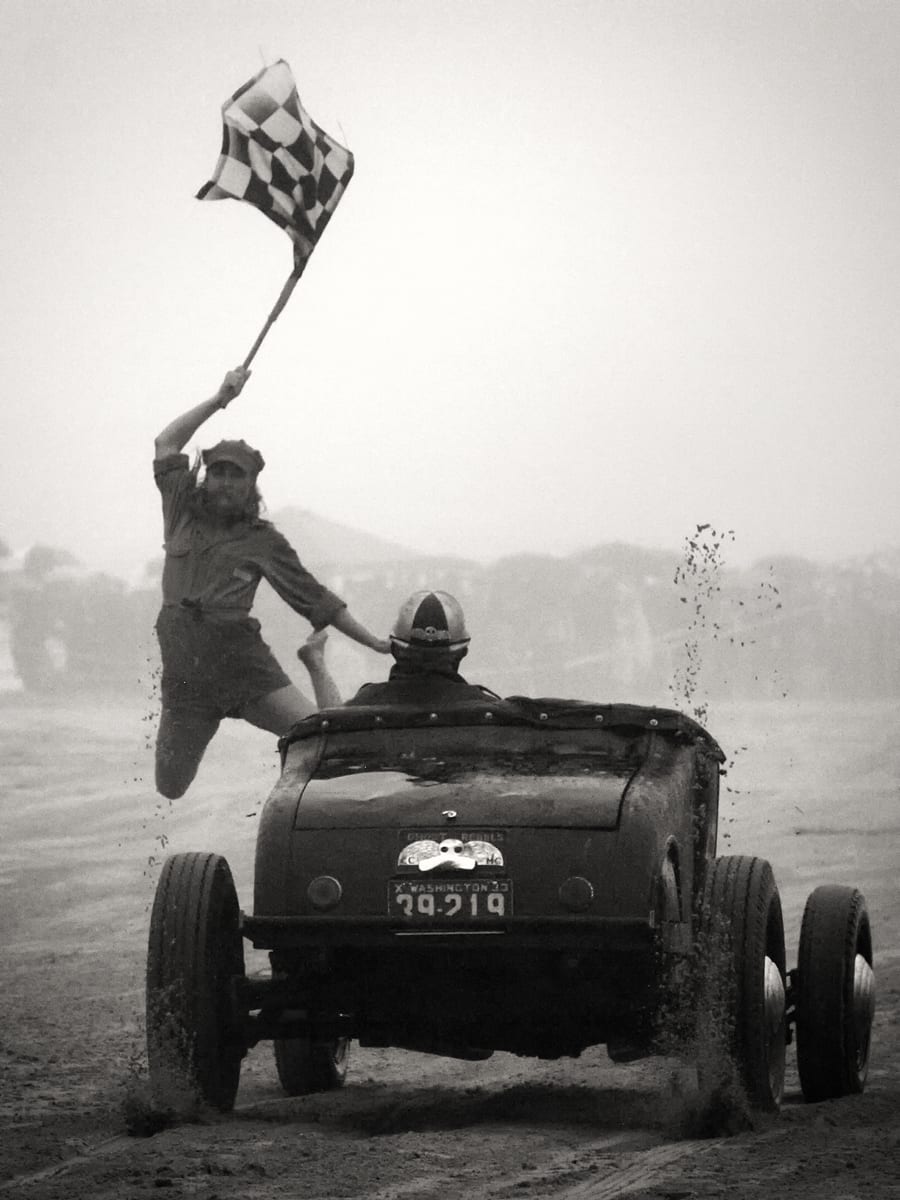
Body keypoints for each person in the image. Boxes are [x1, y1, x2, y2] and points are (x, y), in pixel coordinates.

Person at [152, 364, 389, 798]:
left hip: (243, 665)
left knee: (323, 746)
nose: (224, 481)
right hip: (185, 675)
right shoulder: (181, 507)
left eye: (235, 475)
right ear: (207, 476)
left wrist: (372, 641)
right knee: (170, 787)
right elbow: (166, 442)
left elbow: (316, 599)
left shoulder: (263, 540)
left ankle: (314, 662)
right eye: (218, 472)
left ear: (251, 485)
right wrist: (219, 399)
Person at [301, 589, 499, 707]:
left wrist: (316, 665)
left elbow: (330, 725)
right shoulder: (494, 711)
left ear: (396, 649)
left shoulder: (368, 702)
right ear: (462, 651)